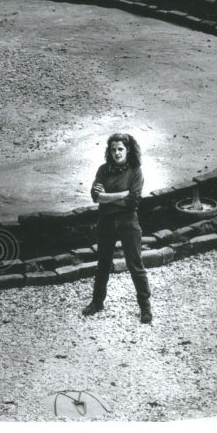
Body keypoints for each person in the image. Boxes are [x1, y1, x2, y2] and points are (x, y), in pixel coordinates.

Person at [82, 133, 152, 324]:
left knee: (135, 264)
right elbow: (96, 197)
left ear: (127, 150)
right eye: (113, 149)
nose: (116, 153)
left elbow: (133, 201)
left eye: (120, 149)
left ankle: (145, 307)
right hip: (105, 222)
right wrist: (122, 194)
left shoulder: (136, 171)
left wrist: (108, 197)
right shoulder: (103, 170)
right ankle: (97, 302)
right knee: (103, 263)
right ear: (109, 151)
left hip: (128, 223)